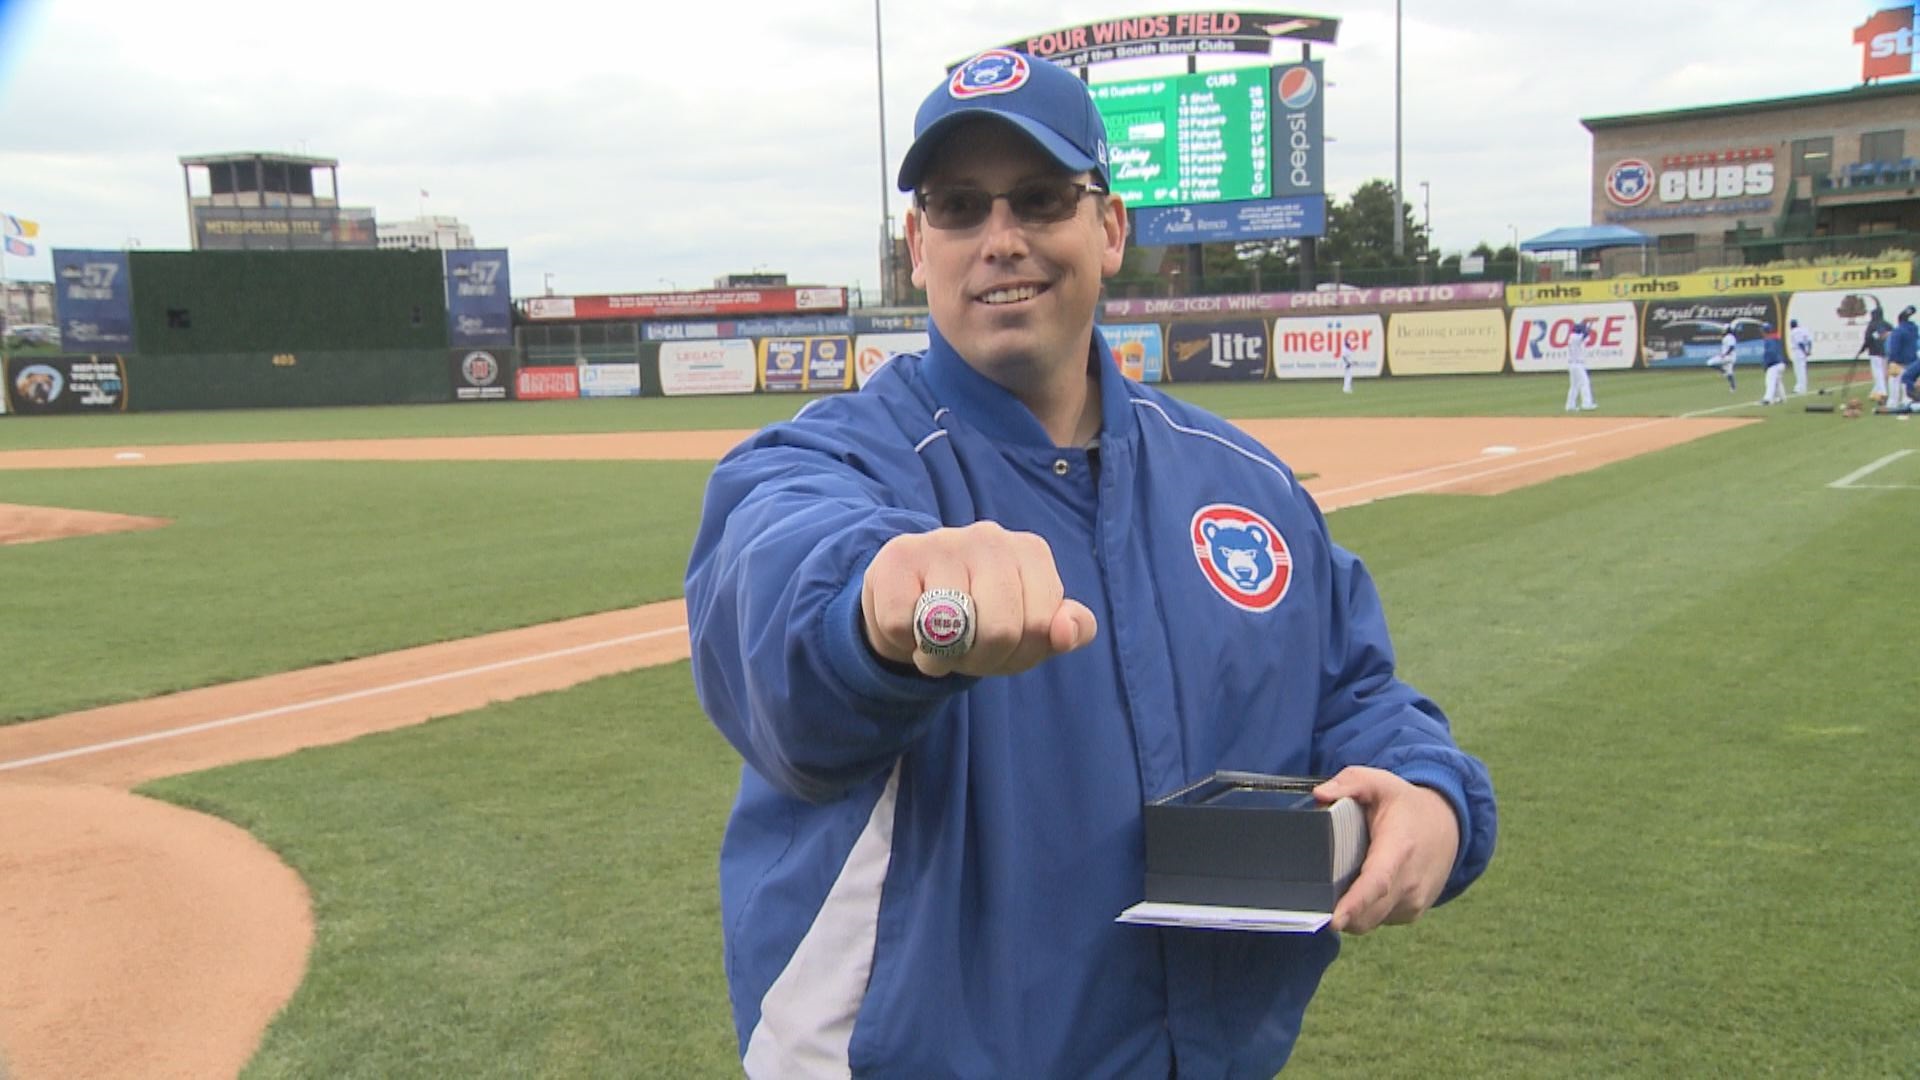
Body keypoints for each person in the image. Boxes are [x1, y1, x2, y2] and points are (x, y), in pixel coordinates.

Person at [684, 49, 1497, 1078]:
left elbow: (1350, 691)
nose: (1001, 240)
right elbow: (776, 599)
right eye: (960, 207)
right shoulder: (839, 461)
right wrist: (880, 606)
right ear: (916, 244)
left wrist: (1429, 791)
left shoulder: (1241, 483)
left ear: (1109, 230)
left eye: (1039, 199)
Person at [1855, 304, 1892, 402]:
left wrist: (1862, 350)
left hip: (1874, 353)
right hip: (1886, 352)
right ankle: (1875, 392)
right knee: (1883, 373)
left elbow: (1867, 339)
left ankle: (1882, 393)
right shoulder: (1887, 324)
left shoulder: (1871, 325)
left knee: (1878, 373)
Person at [1891, 305, 1919, 411]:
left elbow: (1895, 347)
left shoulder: (1898, 331)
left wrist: (1892, 360)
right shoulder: (1914, 329)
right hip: (1913, 359)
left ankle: (1894, 403)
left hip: (1900, 361)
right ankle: (1908, 401)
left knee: (1896, 382)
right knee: (1909, 383)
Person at [1565, 320, 1597, 411]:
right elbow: (1584, 335)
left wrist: (1588, 329)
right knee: (1584, 383)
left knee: (1574, 386)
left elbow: (1585, 336)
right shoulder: (1574, 337)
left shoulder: (1574, 337)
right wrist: (1588, 329)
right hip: (1577, 364)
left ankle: (1570, 405)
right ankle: (1586, 404)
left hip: (1574, 364)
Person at [1760, 323, 1787, 405]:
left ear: (1764, 330)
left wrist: (1766, 364)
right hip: (1780, 363)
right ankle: (1782, 398)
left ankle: (1767, 399)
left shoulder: (1769, 339)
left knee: (1770, 381)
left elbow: (1770, 352)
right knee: (1778, 382)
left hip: (1774, 364)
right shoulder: (1774, 338)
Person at [1788, 317, 1813, 395]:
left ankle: (1800, 388)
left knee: (1798, 370)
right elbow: (1809, 341)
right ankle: (1803, 387)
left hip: (1798, 351)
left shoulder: (1794, 332)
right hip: (1802, 352)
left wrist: (1805, 351)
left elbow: (1799, 343)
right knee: (1802, 370)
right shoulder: (1804, 330)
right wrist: (1808, 350)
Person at [1710, 322, 1738, 391]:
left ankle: (1723, 371)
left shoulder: (1729, 337)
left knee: (1710, 362)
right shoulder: (1730, 337)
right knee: (1729, 372)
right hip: (1730, 357)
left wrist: (1724, 354)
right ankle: (1733, 387)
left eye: (1724, 329)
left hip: (1727, 357)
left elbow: (1731, 347)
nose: (1723, 331)